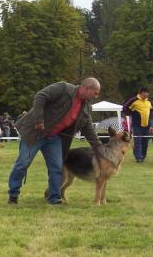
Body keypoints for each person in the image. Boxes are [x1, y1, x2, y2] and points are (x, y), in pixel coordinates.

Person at [7, 77, 102, 205]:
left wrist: (101, 150)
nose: (96, 96)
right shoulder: (64, 88)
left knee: (57, 167)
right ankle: (13, 195)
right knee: (23, 163)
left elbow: (89, 130)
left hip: (54, 138)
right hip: (35, 132)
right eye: (95, 92)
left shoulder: (86, 108)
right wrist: (39, 120)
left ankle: (54, 197)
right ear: (86, 88)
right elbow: (40, 96)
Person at [122, 87, 153, 163]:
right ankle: (139, 158)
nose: (146, 95)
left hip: (146, 125)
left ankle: (143, 156)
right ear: (141, 93)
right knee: (138, 141)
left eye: (147, 93)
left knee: (145, 142)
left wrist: (150, 119)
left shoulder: (150, 102)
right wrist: (132, 114)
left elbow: (152, 109)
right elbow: (125, 108)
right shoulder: (134, 100)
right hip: (137, 125)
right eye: (145, 93)